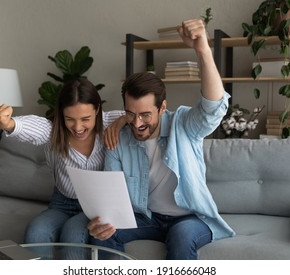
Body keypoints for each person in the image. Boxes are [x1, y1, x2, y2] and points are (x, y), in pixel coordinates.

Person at [88, 19, 236, 260]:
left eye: (145, 114)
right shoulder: (119, 138)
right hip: (145, 217)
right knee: (102, 235)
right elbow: (112, 196)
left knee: (183, 236)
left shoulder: (184, 124)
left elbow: (214, 107)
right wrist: (105, 221)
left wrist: (202, 50)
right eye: (130, 114)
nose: (137, 124)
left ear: (162, 107)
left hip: (189, 218)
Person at [0, 78, 125, 256]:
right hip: (63, 203)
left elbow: (145, 114)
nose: (78, 127)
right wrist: (7, 123)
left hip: (96, 206)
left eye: (85, 119)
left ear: (97, 110)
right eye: (70, 119)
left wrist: (123, 120)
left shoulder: (109, 121)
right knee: (36, 232)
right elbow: (28, 126)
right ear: (61, 114)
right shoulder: (51, 131)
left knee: (74, 234)